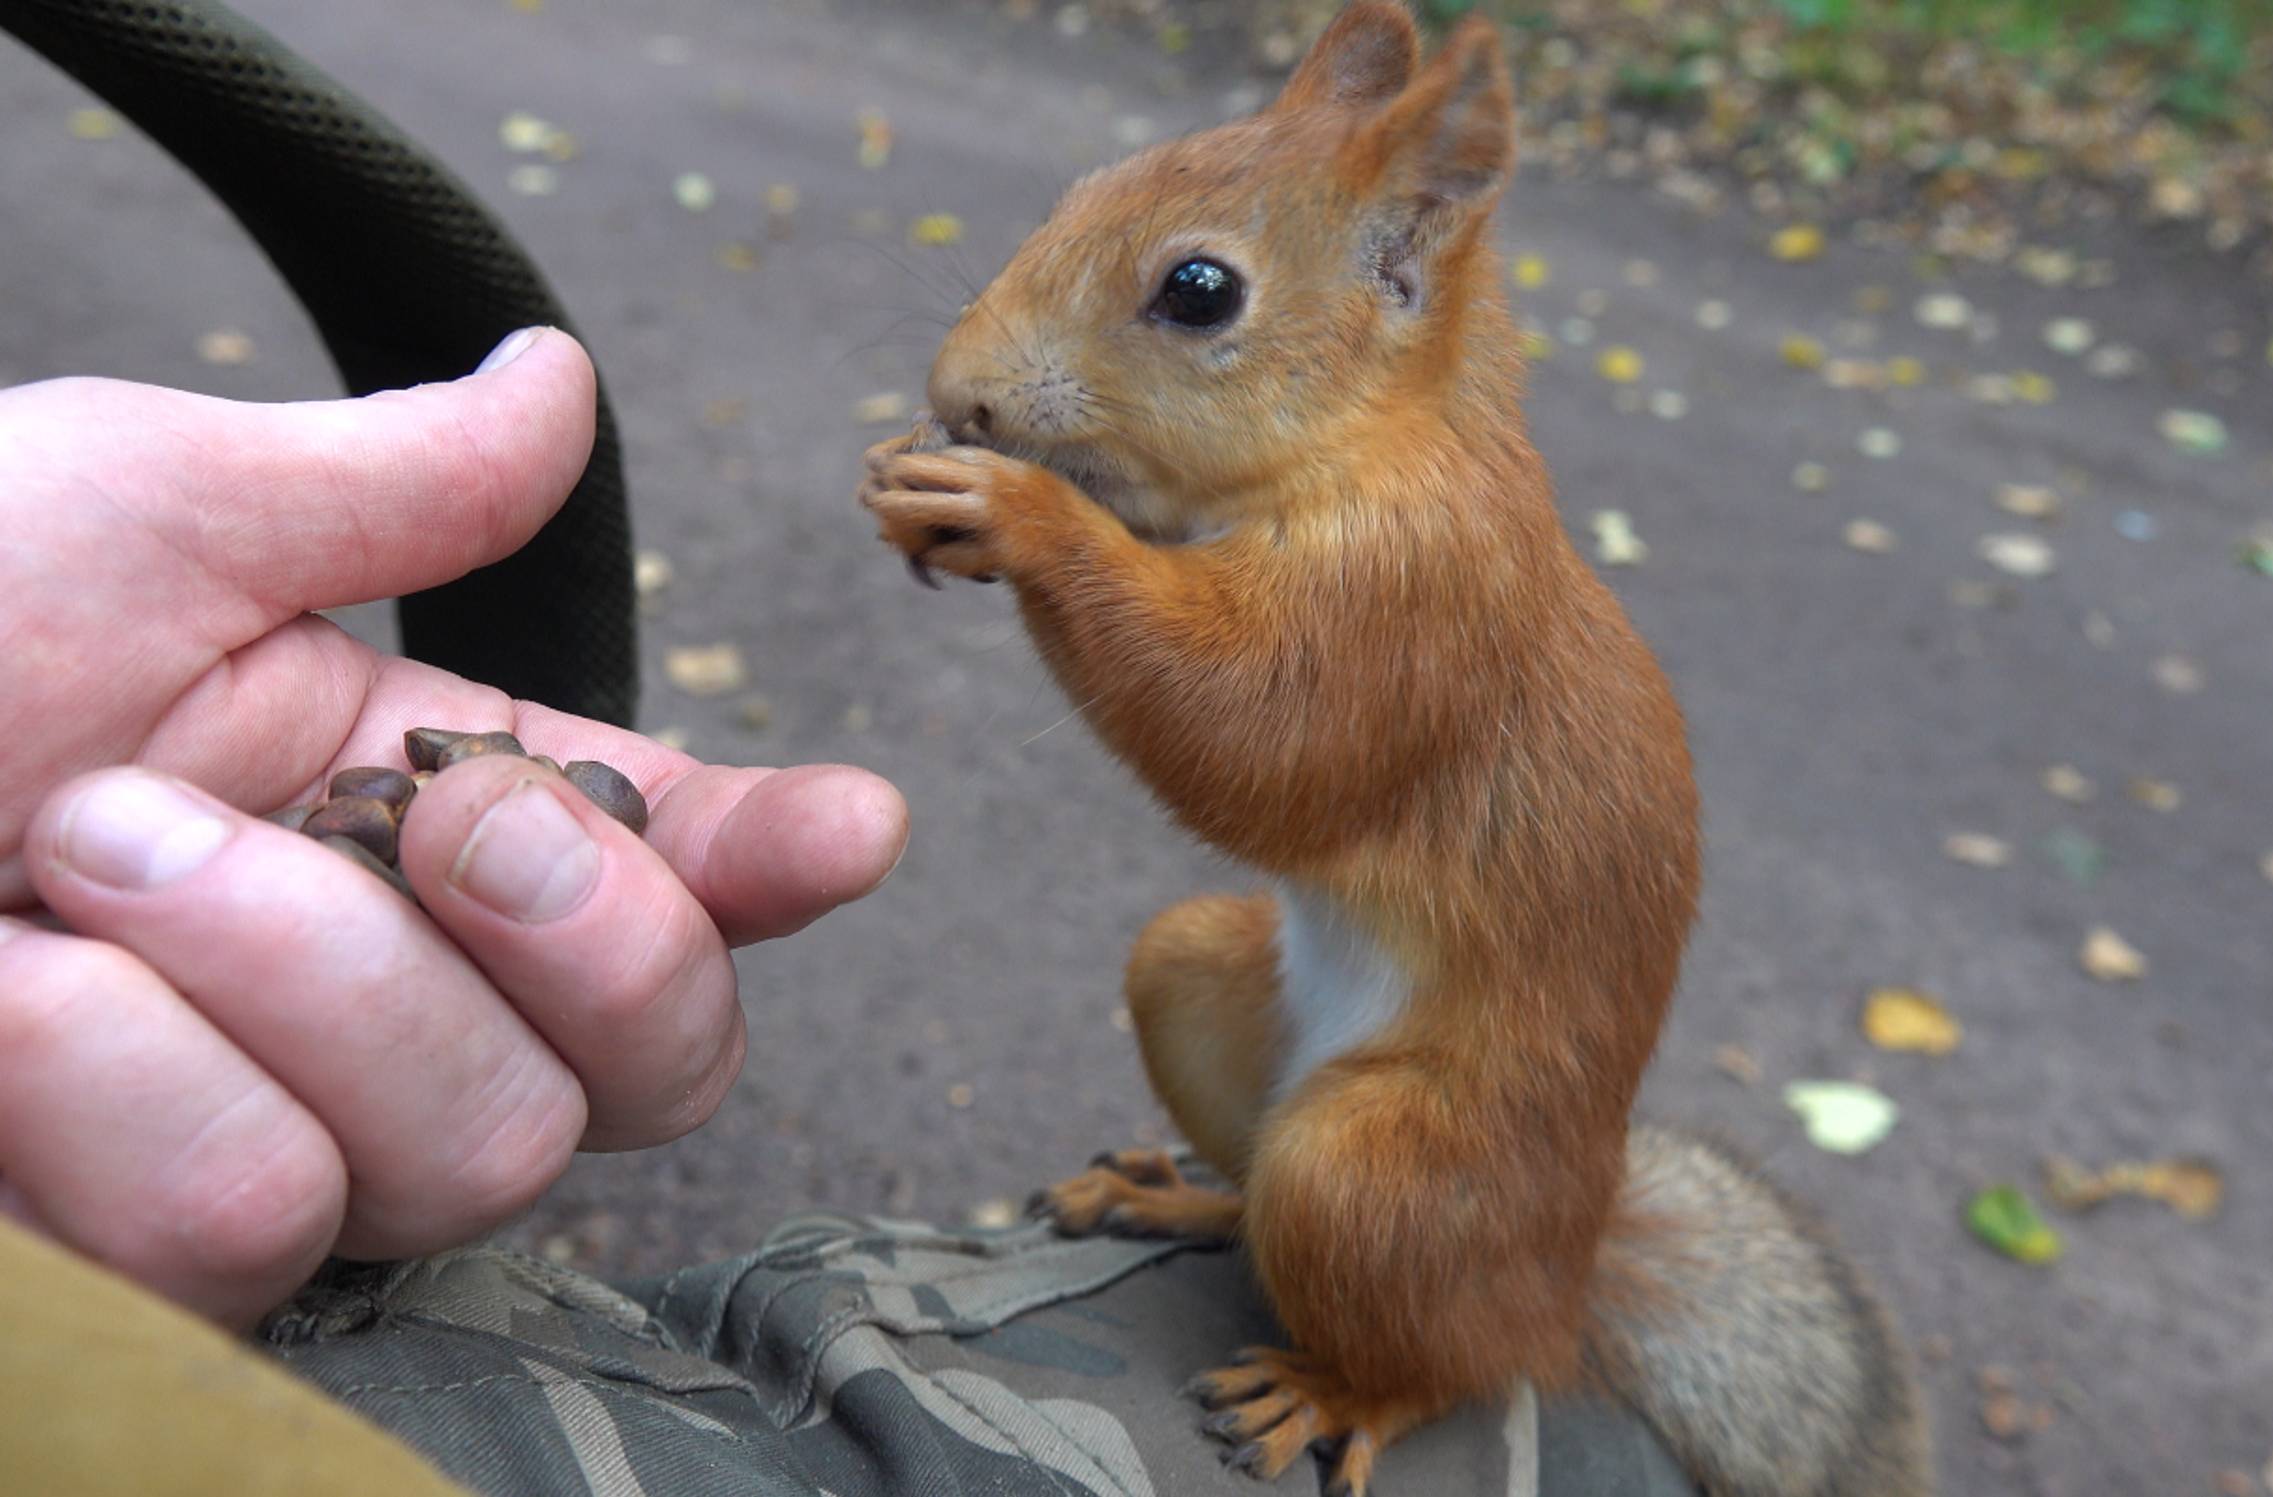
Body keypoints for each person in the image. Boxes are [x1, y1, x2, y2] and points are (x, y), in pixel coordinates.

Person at [0, 331, 1691, 1495]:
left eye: (1189, 300)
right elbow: (1195, 645)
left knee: (1344, 1184)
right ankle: (1267, 1216)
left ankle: (1400, 1376)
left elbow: (1261, 775)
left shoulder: (1421, 538)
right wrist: (1052, 545)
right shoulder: (1312, 503)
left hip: (1447, 1085)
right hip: (1334, 1002)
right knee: (1187, 968)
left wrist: (1054, 546)